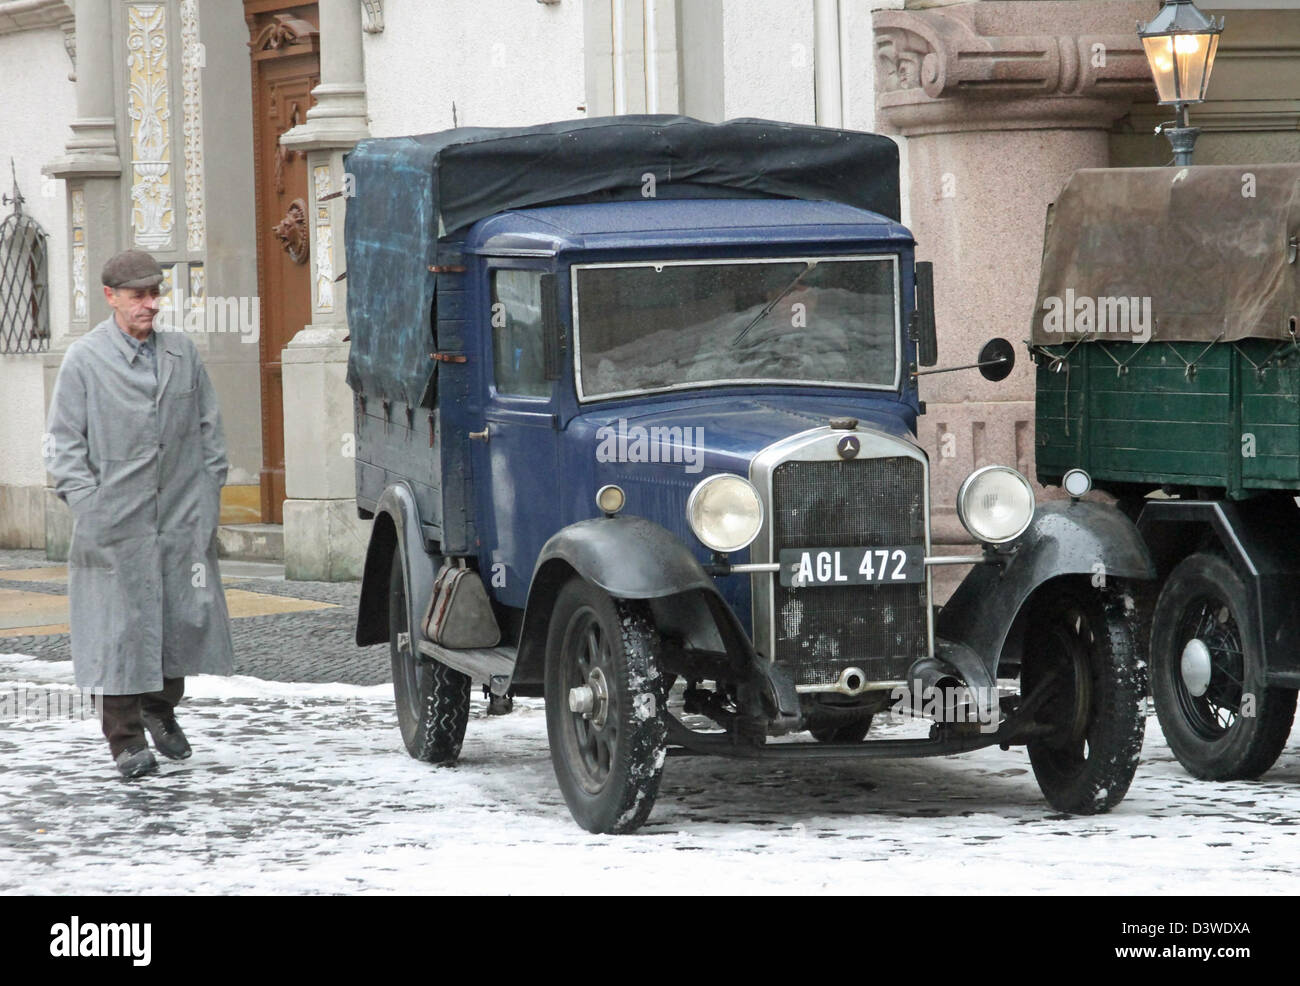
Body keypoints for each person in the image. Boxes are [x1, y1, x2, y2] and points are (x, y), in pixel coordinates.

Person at [45, 249, 234, 779]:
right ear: (111, 298)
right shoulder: (85, 359)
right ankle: (124, 738)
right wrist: (90, 506)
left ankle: (160, 708)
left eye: (156, 294)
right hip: (113, 520)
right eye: (139, 296)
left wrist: (207, 495)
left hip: (179, 515)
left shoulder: (181, 352)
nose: (151, 305)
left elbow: (208, 429)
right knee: (117, 630)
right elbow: (62, 445)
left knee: (178, 619)